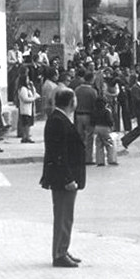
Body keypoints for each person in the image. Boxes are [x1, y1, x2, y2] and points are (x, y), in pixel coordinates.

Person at [39, 88, 87, 268]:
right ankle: (59, 254)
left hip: (66, 177)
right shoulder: (57, 121)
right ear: (71, 102)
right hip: (63, 179)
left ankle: (63, 249)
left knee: (67, 216)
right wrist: (68, 179)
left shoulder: (61, 118)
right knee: (63, 216)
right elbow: (58, 153)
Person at [17, 72, 40, 143]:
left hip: (29, 108)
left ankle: (27, 136)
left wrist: (32, 86)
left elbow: (34, 93)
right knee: (26, 124)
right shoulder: (23, 89)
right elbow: (25, 99)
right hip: (25, 108)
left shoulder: (28, 88)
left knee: (28, 123)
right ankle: (25, 136)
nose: (28, 80)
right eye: (27, 79)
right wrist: (34, 98)